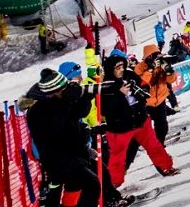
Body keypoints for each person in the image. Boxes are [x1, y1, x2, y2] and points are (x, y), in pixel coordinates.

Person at [21, 67, 128, 207]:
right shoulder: (38, 110)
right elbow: (60, 128)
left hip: (73, 153)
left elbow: (79, 113)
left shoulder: (57, 102)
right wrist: (69, 103)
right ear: (53, 92)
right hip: (59, 159)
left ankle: (111, 199)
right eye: (64, 89)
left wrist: (86, 97)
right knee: (91, 184)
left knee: (80, 185)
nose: (67, 91)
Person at [99, 55, 180, 188]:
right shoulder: (106, 85)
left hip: (140, 119)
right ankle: (114, 184)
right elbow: (105, 110)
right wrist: (120, 95)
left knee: (154, 145)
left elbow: (144, 86)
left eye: (122, 66)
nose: (121, 69)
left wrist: (141, 92)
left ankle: (166, 167)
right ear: (110, 69)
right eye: (117, 67)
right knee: (118, 157)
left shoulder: (129, 74)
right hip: (120, 127)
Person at [133, 44, 179, 145]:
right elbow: (147, 80)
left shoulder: (161, 64)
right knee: (144, 128)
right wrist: (150, 69)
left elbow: (171, 80)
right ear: (149, 57)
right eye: (155, 55)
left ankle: (159, 144)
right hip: (146, 103)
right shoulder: (139, 68)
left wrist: (169, 71)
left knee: (163, 126)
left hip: (160, 100)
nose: (157, 58)